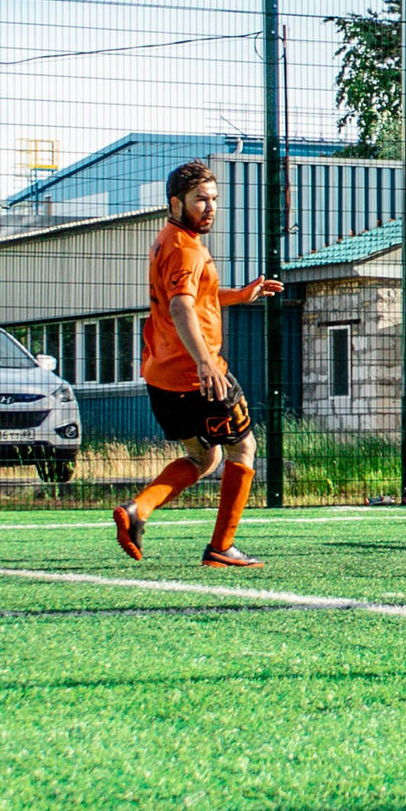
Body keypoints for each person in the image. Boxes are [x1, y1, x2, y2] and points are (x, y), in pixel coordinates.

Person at [111, 160, 283, 568]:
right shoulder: (187, 249)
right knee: (243, 447)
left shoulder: (167, 240)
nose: (210, 208)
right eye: (200, 200)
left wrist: (240, 295)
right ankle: (221, 547)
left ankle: (138, 509)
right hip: (196, 377)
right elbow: (181, 306)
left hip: (161, 378)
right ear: (176, 203)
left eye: (214, 199)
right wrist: (205, 362)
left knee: (204, 458)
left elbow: (194, 296)